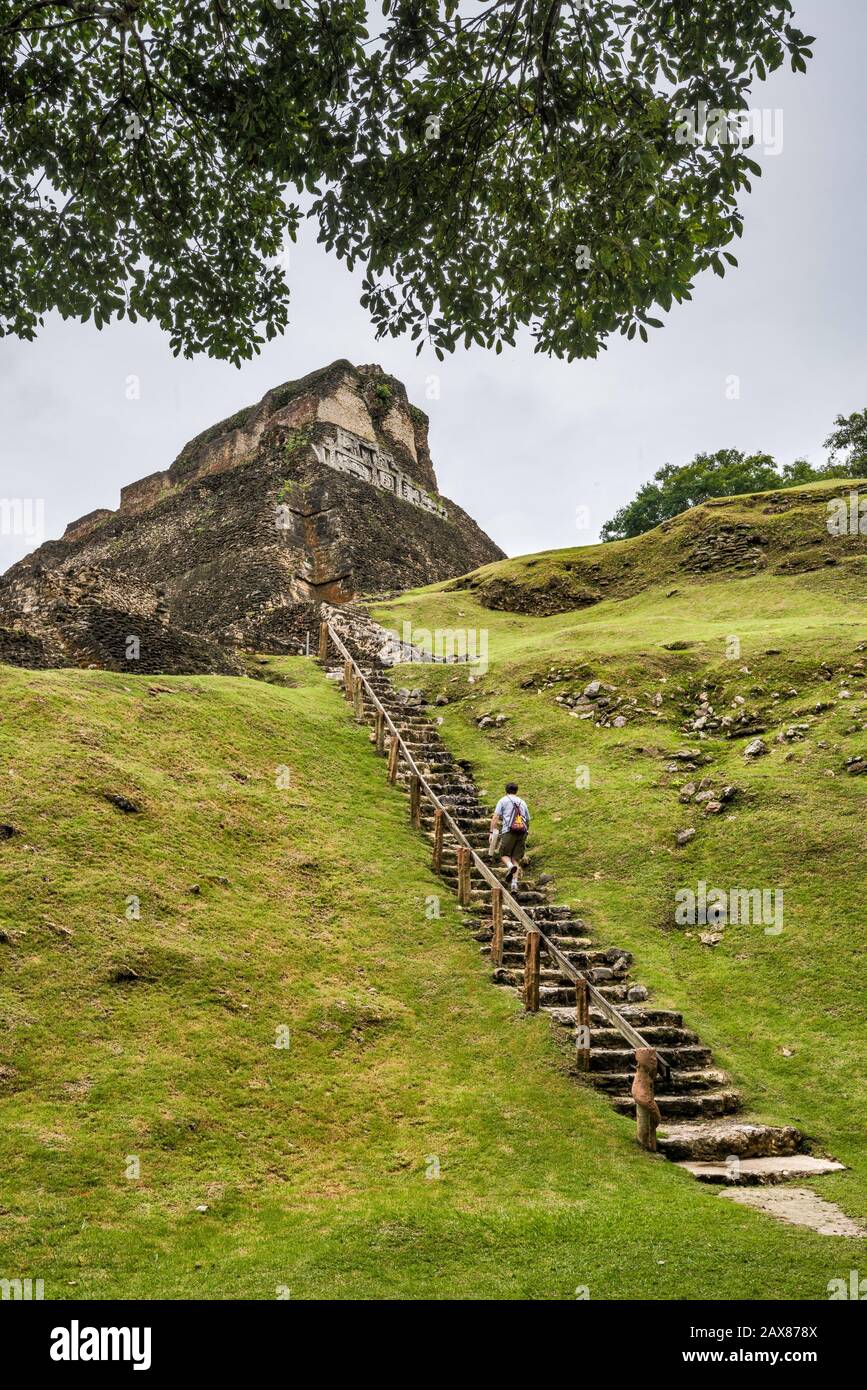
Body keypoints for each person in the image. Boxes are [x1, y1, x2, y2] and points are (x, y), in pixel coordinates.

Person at [490, 781, 530, 891]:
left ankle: (509, 867)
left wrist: (491, 832)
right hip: (522, 832)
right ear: (516, 791)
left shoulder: (503, 800)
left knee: (503, 854)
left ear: (506, 790)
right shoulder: (522, 802)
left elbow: (495, 817)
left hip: (509, 831)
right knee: (515, 858)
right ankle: (514, 884)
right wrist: (526, 832)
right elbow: (528, 819)